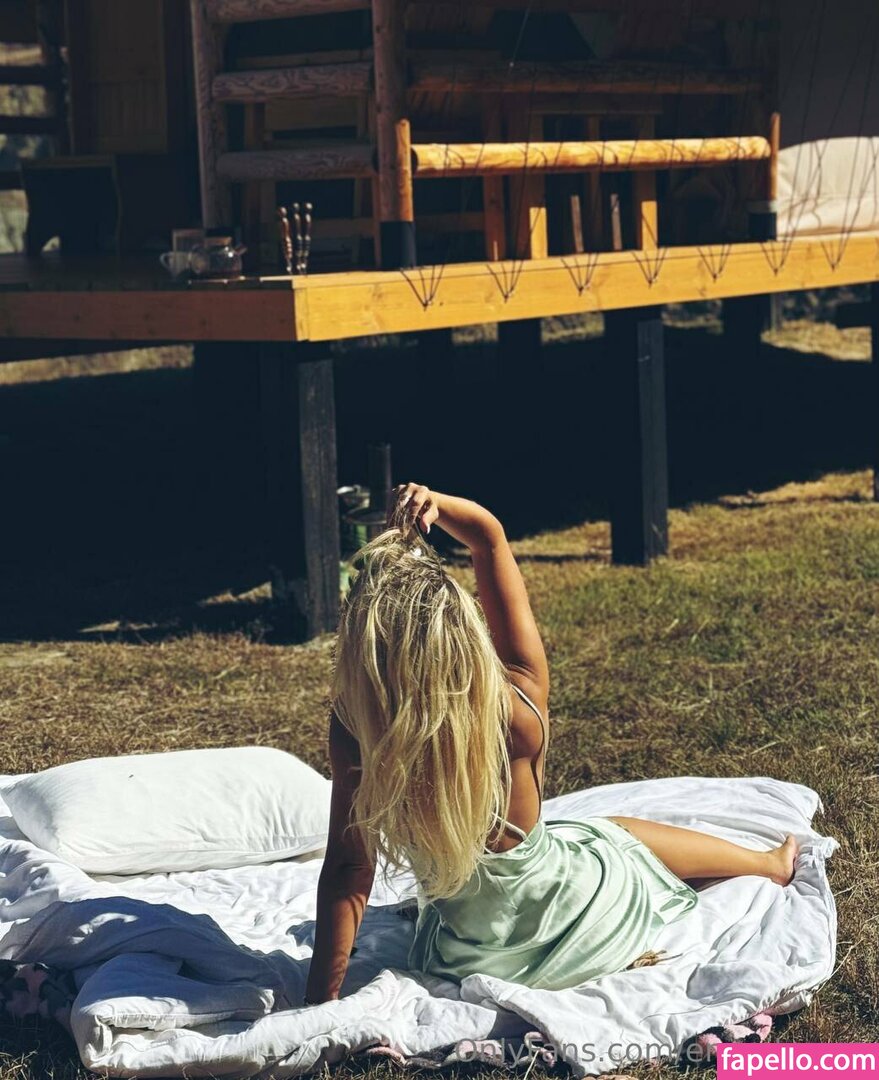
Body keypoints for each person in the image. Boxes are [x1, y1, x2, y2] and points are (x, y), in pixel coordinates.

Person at [304, 485, 799, 1004]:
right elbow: (489, 540)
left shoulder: (359, 732)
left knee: (584, 838)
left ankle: (765, 864)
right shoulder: (518, 701)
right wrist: (438, 505)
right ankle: (768, 864)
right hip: (582, 929)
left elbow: (348, 870)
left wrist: (320, 999)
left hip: (474, 957)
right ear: (462, 631)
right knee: (608, 836)